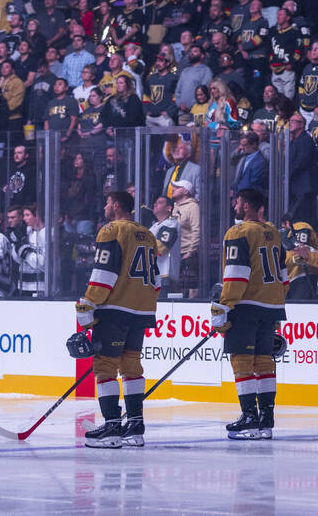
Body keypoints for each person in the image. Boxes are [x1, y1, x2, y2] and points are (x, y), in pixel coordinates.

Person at [77, 191, 160, 449]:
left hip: (114, 308)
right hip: (141, 310)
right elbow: (157, 280)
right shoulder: (148, 234)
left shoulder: (111, 229)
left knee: (105, 367)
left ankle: (112, 426)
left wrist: (88, 303)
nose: (104, 207)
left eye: (106, 203)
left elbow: (104, 272)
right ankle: (135, 426)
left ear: (115, 206)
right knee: (132, 366)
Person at [212, 188, 287, 440]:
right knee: (264, 361)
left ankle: (249, 417)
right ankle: (266, 418)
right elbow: (284, 276)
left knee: (242, 360)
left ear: (246, 206)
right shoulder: (273, 233)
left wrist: (224, 305)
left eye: (237, 201)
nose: (234, 203)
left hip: (246, 305)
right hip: (271, 305)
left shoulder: (239, 232)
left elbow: (236, 273)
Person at [148, 197, 180, 294]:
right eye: (155, 202)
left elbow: (160, 248)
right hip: (153, 274)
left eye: (160, 202)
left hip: (165, 276)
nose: (155, 204)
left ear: (168, 208)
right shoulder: (154, 226)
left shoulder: (172, 224)